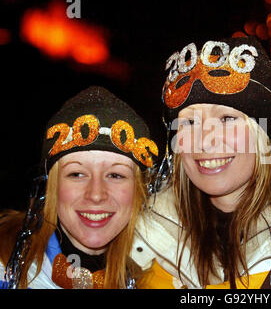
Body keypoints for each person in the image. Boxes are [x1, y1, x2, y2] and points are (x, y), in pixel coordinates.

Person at [131, 36, 271, 289]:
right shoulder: (139, 241)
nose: (205, 141)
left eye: (227, 119)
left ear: (264, 136)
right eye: (189, 122)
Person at [0, 86, 162, 289]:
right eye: (77, 174)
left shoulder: (155, 279)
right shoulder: (5, 266)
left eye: (115, 175)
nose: (96, 195)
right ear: (52, 187)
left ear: (139, 192)